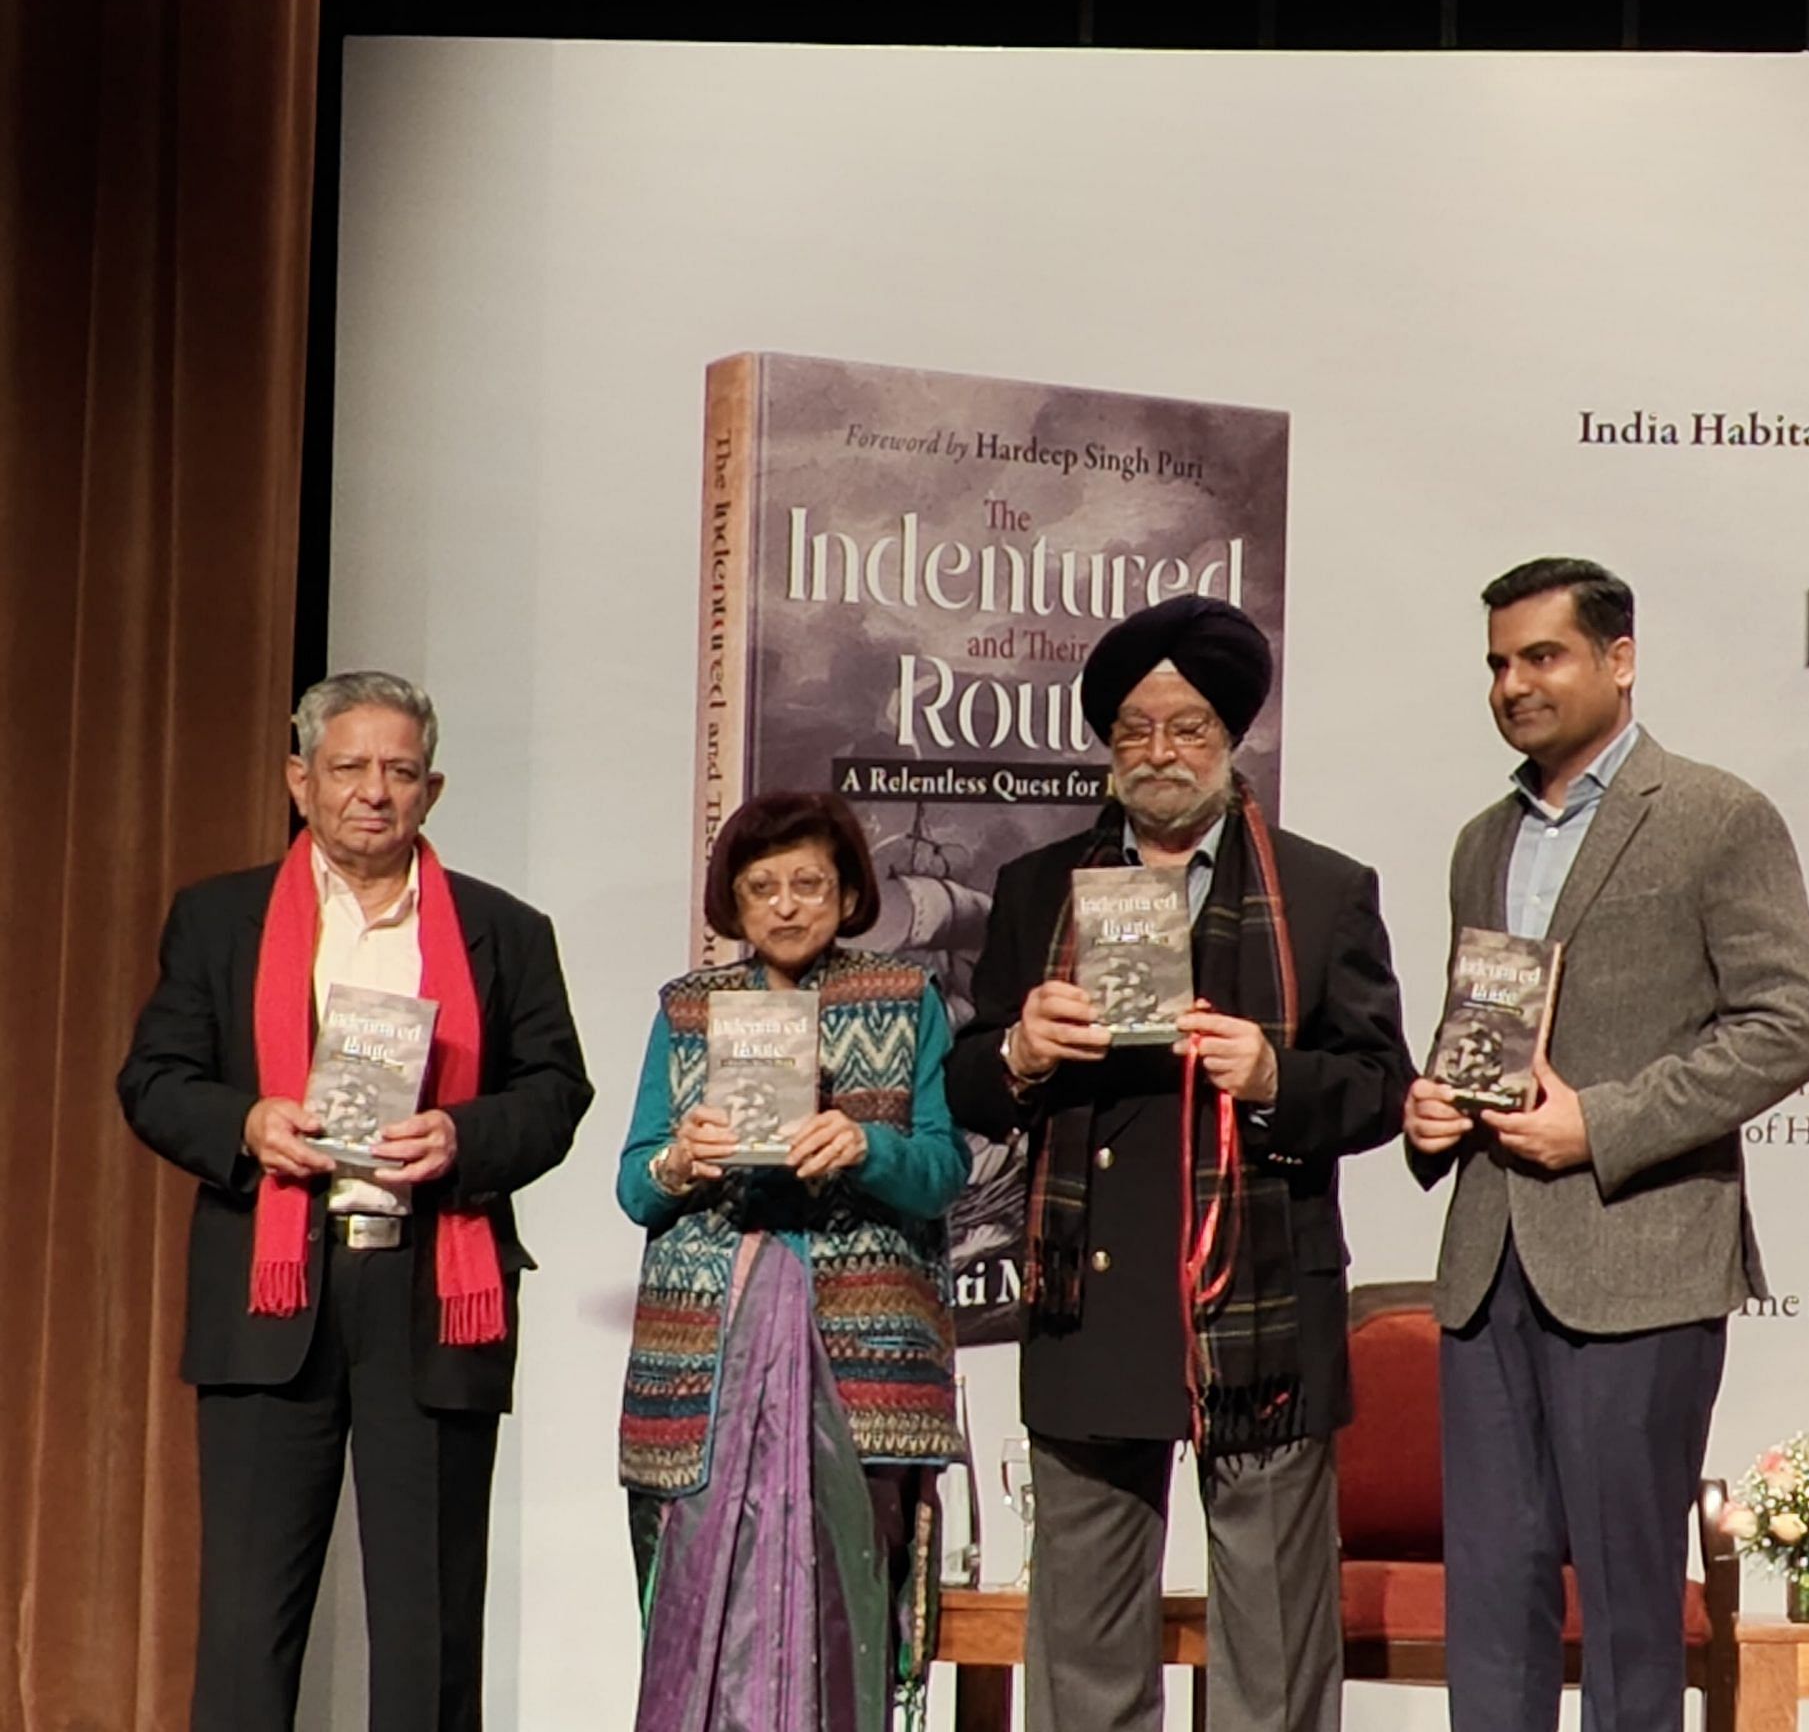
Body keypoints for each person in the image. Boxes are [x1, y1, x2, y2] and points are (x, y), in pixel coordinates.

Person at [946, 594, 1411, 1732]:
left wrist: (1274, 1077)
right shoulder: (1036, 889)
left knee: (1270, 1636)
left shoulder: (1320, 888)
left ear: (1232, 736)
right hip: (1089, 1291)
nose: (1160, 753)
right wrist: (1017, 1048)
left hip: (1255, 1300)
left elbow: (1382, 1089)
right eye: (1135, 731)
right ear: (1109, 747)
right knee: (1086, 1638)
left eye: (1187, 727)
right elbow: (960, 1082)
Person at [117, 670, 594, 1732]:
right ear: (300, 780)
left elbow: (557, 1092)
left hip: (434, 1287)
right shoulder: (220, 918)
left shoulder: (503, 930)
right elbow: (153, 1079)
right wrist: (247, 1124)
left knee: (428, 1629)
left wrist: (462, 1136)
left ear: (432, 788)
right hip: (270, 1285)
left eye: (398, 770)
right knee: (247, 1622)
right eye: (348, 768)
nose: (372, 792)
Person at [1405, 559, 1809, 1732]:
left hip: (1638, 1259)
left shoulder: (1713, 814)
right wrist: (1434, 1108)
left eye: (1542, 656)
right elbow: (1487, 1028)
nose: (1513, 684)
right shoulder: (1479, 841)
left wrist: (1600, 1123)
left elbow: (1790, 1024)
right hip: (1488, 1258)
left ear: (1619, 660)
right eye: (1498, 663)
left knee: (1634, 1605)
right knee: (1489, 1599)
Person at [616, 790, 968, 1732]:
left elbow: (943, 1171)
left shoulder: (905, 999)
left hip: (858, 1348)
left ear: (848, 891)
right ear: (732, 899)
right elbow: (633, 1187)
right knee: (699, 1600)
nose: (784, 905)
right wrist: (679, 1161)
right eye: (761, 885)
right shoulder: (689, 1011)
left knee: (846, 1599)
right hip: (708, 1344)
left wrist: (868, 1147)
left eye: (808, 883)